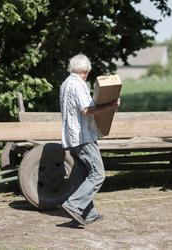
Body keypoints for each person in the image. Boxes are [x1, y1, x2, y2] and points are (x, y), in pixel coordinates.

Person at [59, 54, 120, 226]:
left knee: (83, 175)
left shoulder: (65, 84)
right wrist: (110, 106)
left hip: (71, 137)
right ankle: (74, 205)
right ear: (86, 70)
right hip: (83, 136)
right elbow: (86, 110)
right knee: (98, 174)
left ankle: (88, 214)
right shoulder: (78, 84)